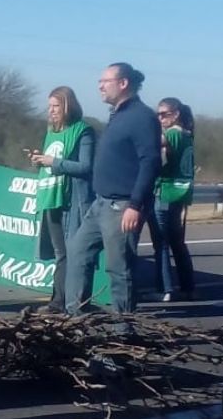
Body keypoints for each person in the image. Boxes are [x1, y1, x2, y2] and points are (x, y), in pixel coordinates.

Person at [63, 63, 161, 333]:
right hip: (100, 203)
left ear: (123, 83)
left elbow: (150, 162)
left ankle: (124, 332)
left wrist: (136, 205)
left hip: (123, 206)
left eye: (105, 81)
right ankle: (76, 319)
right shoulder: (117, 115)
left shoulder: (142, 117)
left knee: (119, 269)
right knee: (77, 251)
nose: (100, 86)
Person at [29, 86, 95, 314]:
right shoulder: (51, 131)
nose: (52, 111)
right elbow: (50, 162)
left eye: (56, 106)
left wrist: (54, 162)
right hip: (51, 196)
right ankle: (58, 302)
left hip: (72, 200)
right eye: (49, 106)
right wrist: (40, 161)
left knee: (74, 253)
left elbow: (86, 167)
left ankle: (73, 303)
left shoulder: (84, 131)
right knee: (60, 254)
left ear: (68, 105)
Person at [146, 98, 196, 302]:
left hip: (164, 192)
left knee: (161, 244)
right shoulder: (187, 135)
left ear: (176, 114)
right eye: (157, 115)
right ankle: (188, 287)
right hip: (180, 193)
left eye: (164, 114)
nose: (160, 118)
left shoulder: (172, 134)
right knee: (177, 243)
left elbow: (155, 151)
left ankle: (165, 289)